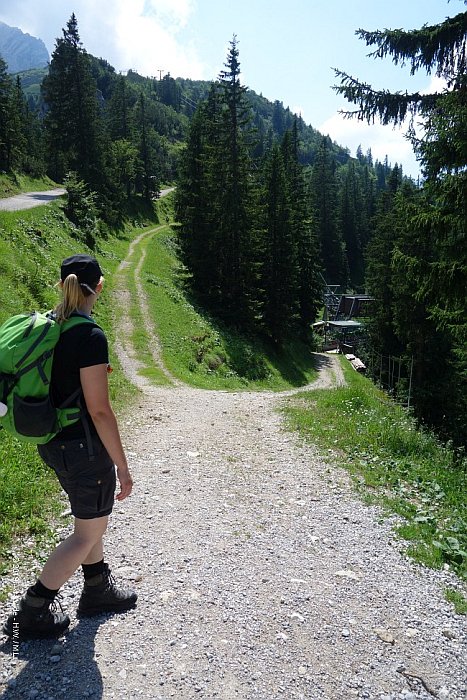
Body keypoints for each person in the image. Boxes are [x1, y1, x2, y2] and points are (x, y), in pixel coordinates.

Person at [2, 254, 137, 640]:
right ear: (99, 287)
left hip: (52, 444)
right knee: (85, 532)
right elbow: (99, 409)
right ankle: (33, 609)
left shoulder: (47, 325)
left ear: (62, 286)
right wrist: (122, 467)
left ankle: (97, 588)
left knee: (89, 522)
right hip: (85, 450)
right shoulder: (89, 336)